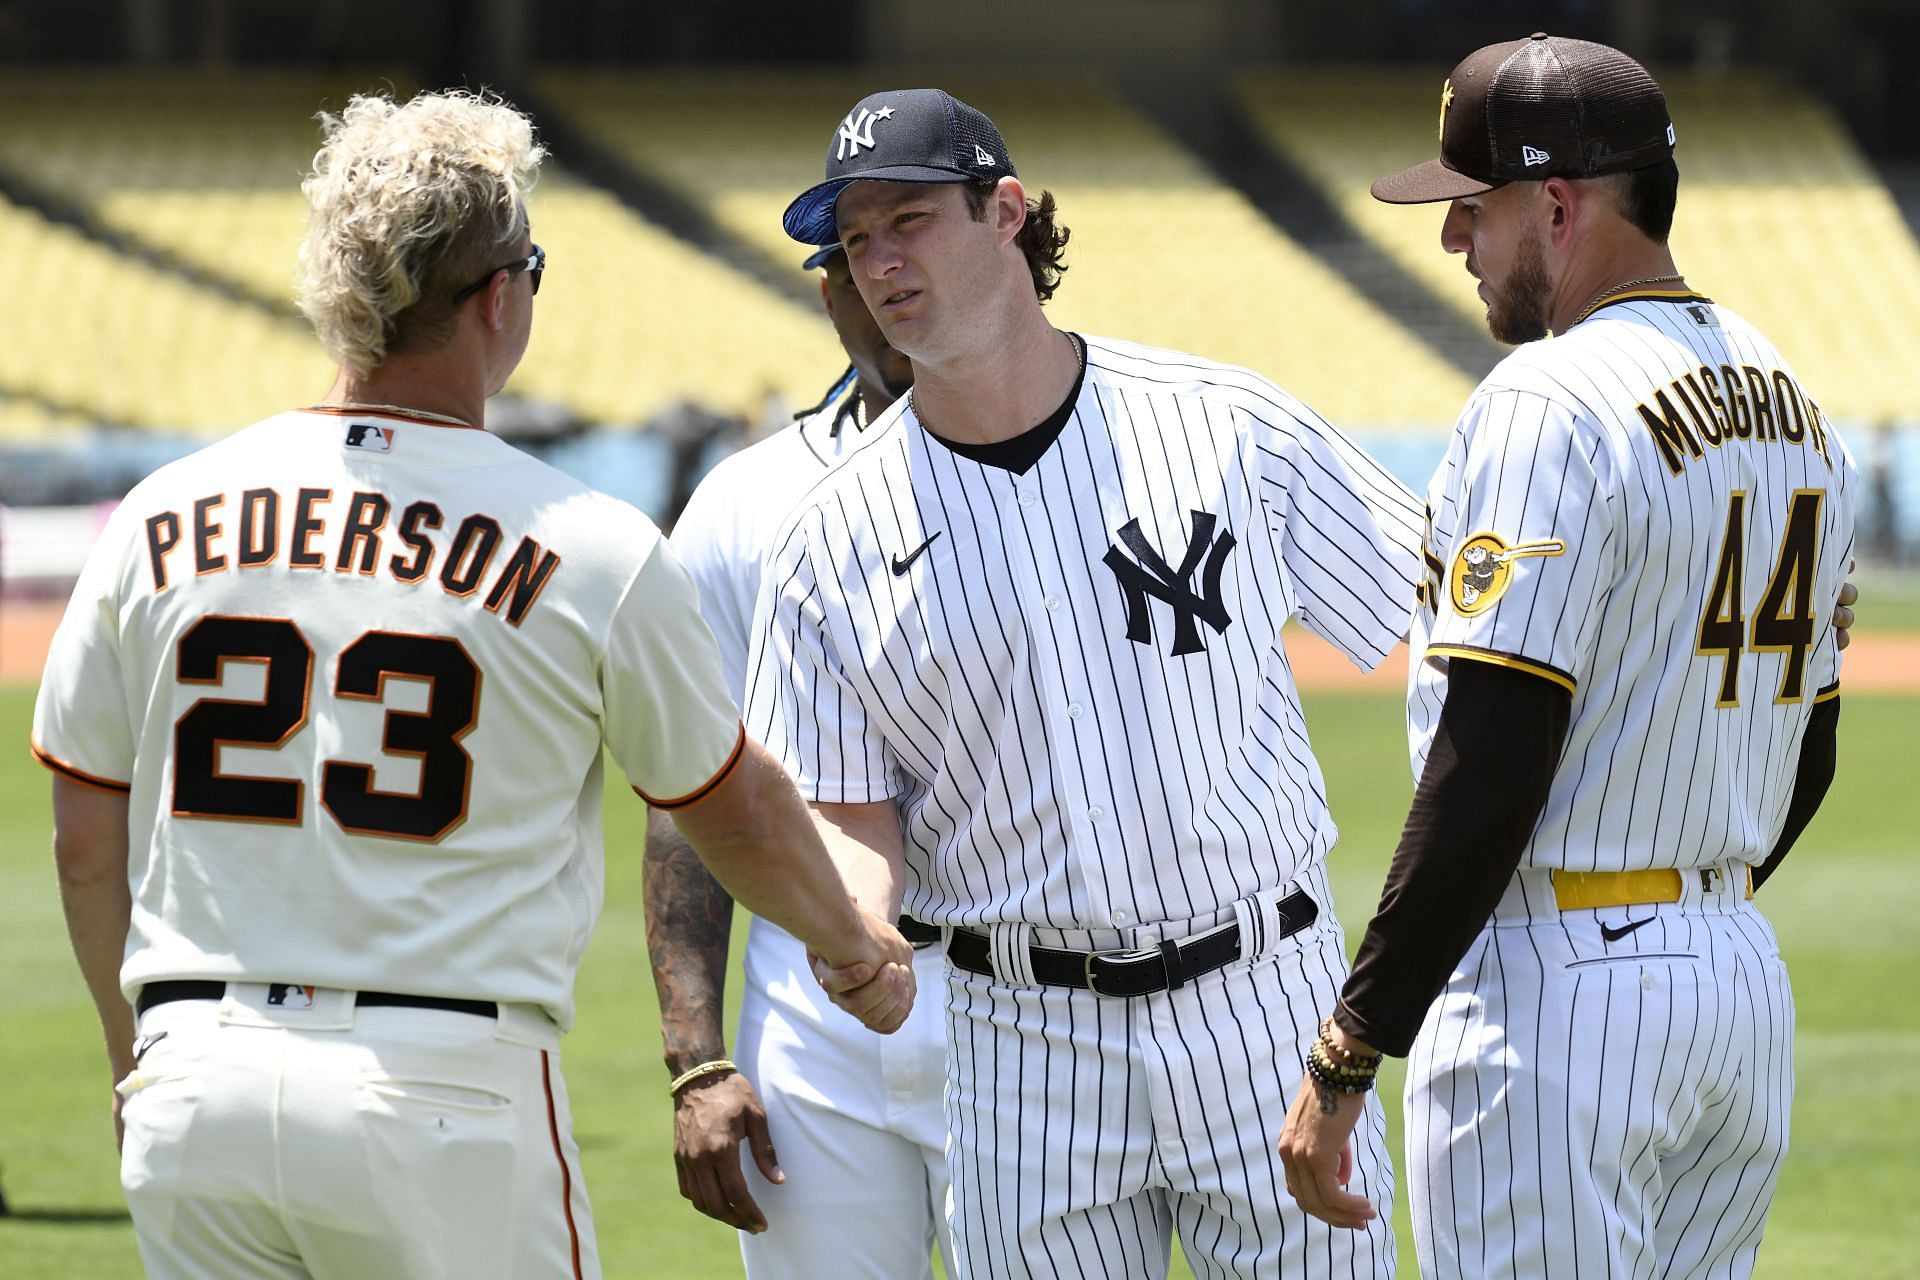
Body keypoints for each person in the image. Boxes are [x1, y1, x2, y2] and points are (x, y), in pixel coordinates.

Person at [30, 88, 911, 1280]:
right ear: (501, 293)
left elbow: (87, 832)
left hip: (199, 1071)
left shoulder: (161, 512)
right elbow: (729, 801)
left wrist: (134, 1052)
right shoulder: (585, 538)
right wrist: (850, 943)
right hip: (444, 1086)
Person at [750, 87, 1418, 1278]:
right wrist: (854, 924)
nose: (880, 262)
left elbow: (1457, 625)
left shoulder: (1227, 426)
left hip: (1264, 996)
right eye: (855, 241)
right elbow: (850, 816)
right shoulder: (827, 536)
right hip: (1021, 1029)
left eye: (907, 220)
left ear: (1004, 211)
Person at [1276, 35, 1857, 1279]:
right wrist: (1694, 903)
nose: (1451, 240)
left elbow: (1493, 756)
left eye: (1471, 207)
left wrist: (1348, 1046)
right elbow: (1811, 742)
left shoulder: (1547, 399)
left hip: (1560, 991)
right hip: (1734, 979)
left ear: (1556, 202)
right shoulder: (1790, 394)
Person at [643, 240, 956, 1277]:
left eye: (921, 246)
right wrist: (696, 1059)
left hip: (1035, 1012)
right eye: (862, 260)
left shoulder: (1087, 470)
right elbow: (689, 788)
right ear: (830, 291)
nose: (895, 288)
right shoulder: (742, 503)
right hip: (810, 1025)